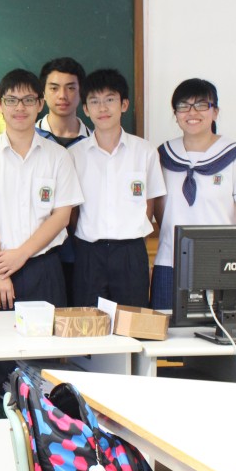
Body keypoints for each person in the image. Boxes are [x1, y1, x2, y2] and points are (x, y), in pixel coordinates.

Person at [0, 69, 83, 414]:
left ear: (40, 104)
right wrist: (0, 270)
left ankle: (43, 435)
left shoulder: (58, 156)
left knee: (43, 361)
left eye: (28, 99)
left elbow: (61, 216)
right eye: (12, 100)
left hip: (44, 269)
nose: (20, 107)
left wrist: (22, 255)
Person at [151, 78, 236, 310]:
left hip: (223, 264)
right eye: (183, 106)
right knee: (166, 328)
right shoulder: (163, 156)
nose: (192, 112)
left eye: (202, 105)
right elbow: (162, 215)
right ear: (176, 114)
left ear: (215, 112)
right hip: (170, 262)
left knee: (220, 328)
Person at [68, 69, 165, 308]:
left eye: (110, 99)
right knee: (88, 323)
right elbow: (72, 212)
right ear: (85, 109)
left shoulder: (145, 152)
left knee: (132, 322)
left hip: (131, 253)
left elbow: (149, 206)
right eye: (94, 101)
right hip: (88, 254)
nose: (102, 108)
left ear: (124, 104)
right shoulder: (74, 155)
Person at [36, 57, 91, 306]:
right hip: (38, 254)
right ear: (43, 93)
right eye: (54, 87)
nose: (63, 95)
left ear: (81, 92)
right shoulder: (28, 140)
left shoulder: (94, 143)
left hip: (84, 256)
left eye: (71, 87)